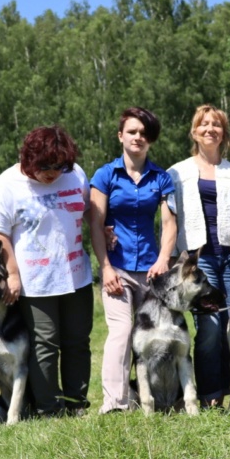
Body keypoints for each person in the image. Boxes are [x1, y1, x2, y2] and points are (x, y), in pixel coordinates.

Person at [0, 126, 94, 417]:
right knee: (45, 345)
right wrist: (11, 274)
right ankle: (50, 410)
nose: (53, 173)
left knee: (77, 342)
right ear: (29, 158)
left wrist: (104, 229)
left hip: (77, 276)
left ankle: (76, 406)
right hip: (36, 283)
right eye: (45, 166)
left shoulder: (75, 174)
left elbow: (87, 209)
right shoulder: (9, 183)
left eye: (60, 166)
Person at [168, 105, 230, 408]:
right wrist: (171, 258)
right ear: (194, 132)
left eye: (216, 125)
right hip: (198, 263)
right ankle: (211, 396)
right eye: (204, 124)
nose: (210, 129)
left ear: (224, 133)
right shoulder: (177, 172)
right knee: (209, 330)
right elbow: (170, 219)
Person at [90, 108, 176, 414]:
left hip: (152, 271)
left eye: (143, 133)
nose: (137, 137)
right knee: (122, 330)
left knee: (155, 333)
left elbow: (168, 224)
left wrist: (164, 259)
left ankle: (160, 399)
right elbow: (96, 224)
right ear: (120, 136)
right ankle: (115, 404)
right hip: (117, 270)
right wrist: (105, 267)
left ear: (150, 139)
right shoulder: (104, 176)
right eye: (132, 132)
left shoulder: (162, 178)